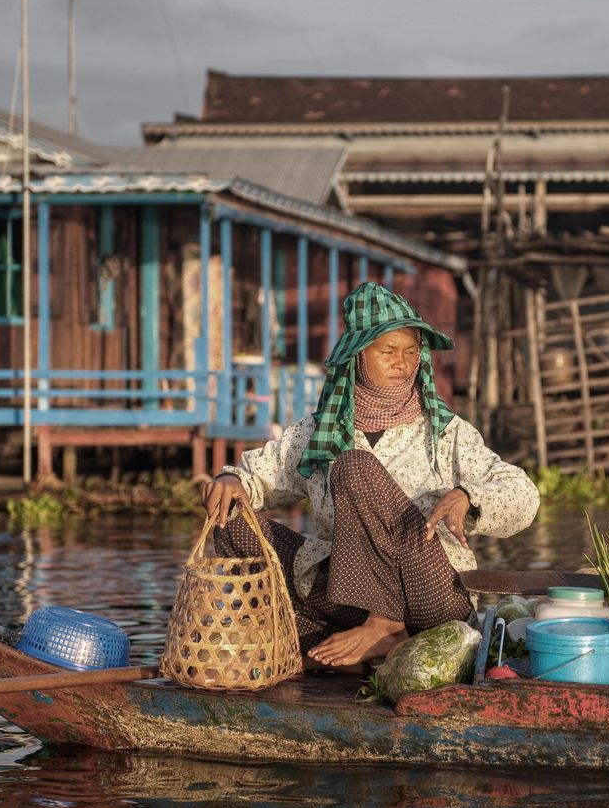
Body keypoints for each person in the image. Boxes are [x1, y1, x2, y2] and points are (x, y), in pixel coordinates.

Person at [201, 281, 539, 671]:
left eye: (412, 352)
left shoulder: (447, 433)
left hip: (430, 593)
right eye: (389, 351)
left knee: (354, 466)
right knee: (231, 523)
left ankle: (387, 628)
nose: (403, 362)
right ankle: (357, 648)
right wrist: (232, 482)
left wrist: (468, 496)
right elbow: (259, 475)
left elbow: (523, 494)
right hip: (352, 598)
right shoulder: (319, 431)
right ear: (359, 357)